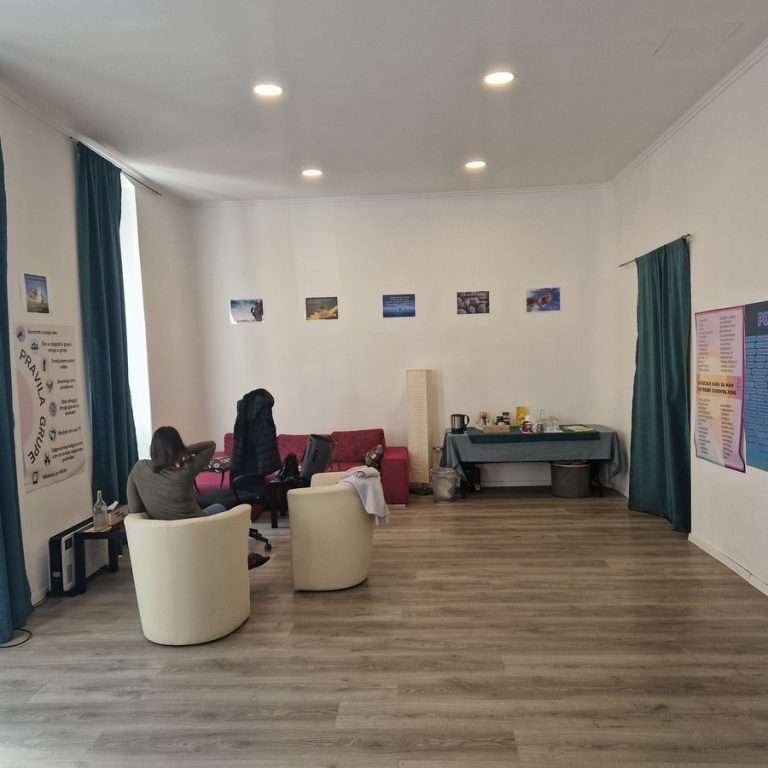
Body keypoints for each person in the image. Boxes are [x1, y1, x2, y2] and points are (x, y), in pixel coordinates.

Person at [126, 426, 269, 568]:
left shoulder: (138, 468)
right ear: (178, 448)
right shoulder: (186, 471)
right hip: (197, 528)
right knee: (219, 508)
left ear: (153, 448)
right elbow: (210, 446)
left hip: (163, 533)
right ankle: (246, 555)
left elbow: (135, 508)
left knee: (214, 509)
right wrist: (182, 451)